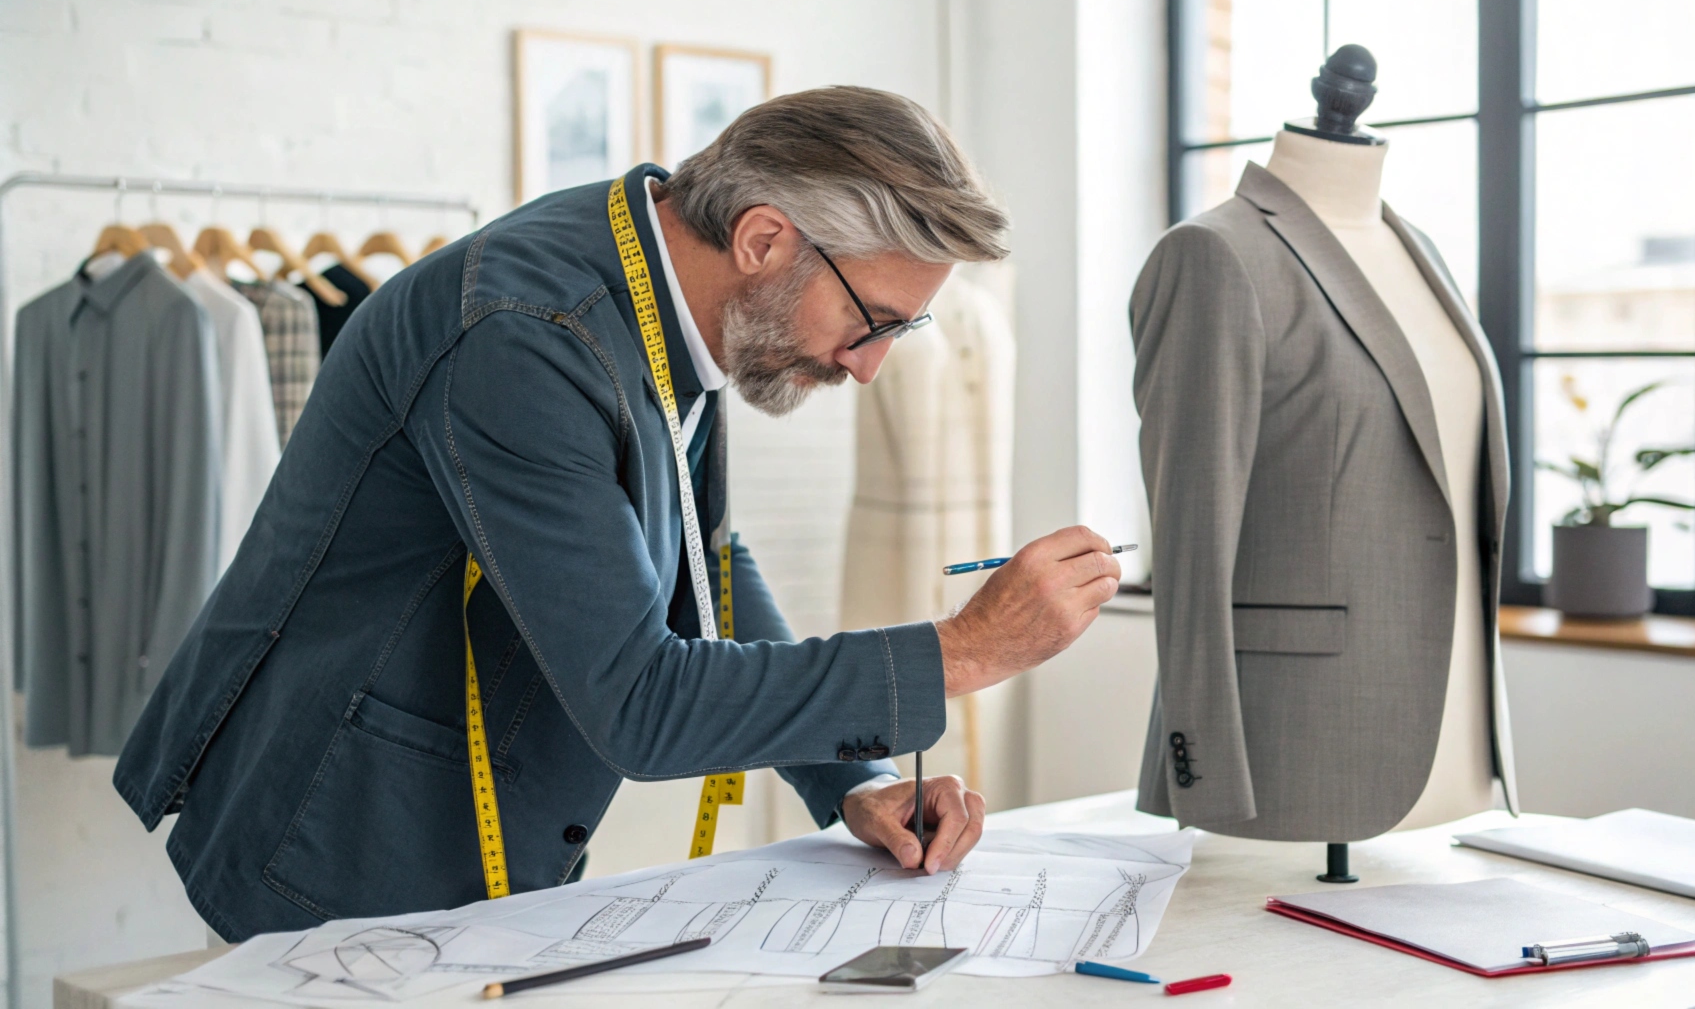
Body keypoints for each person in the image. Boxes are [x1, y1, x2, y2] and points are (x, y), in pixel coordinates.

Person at [114, 86, 1123, 941]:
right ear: (764, 238)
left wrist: (853, 779)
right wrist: (967, 649)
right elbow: (640, 705)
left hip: (470, 830)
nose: (867, 367)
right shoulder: (524, 337)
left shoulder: (662, 287)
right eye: (873, 323)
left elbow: (707, 560)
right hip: (341, 845)